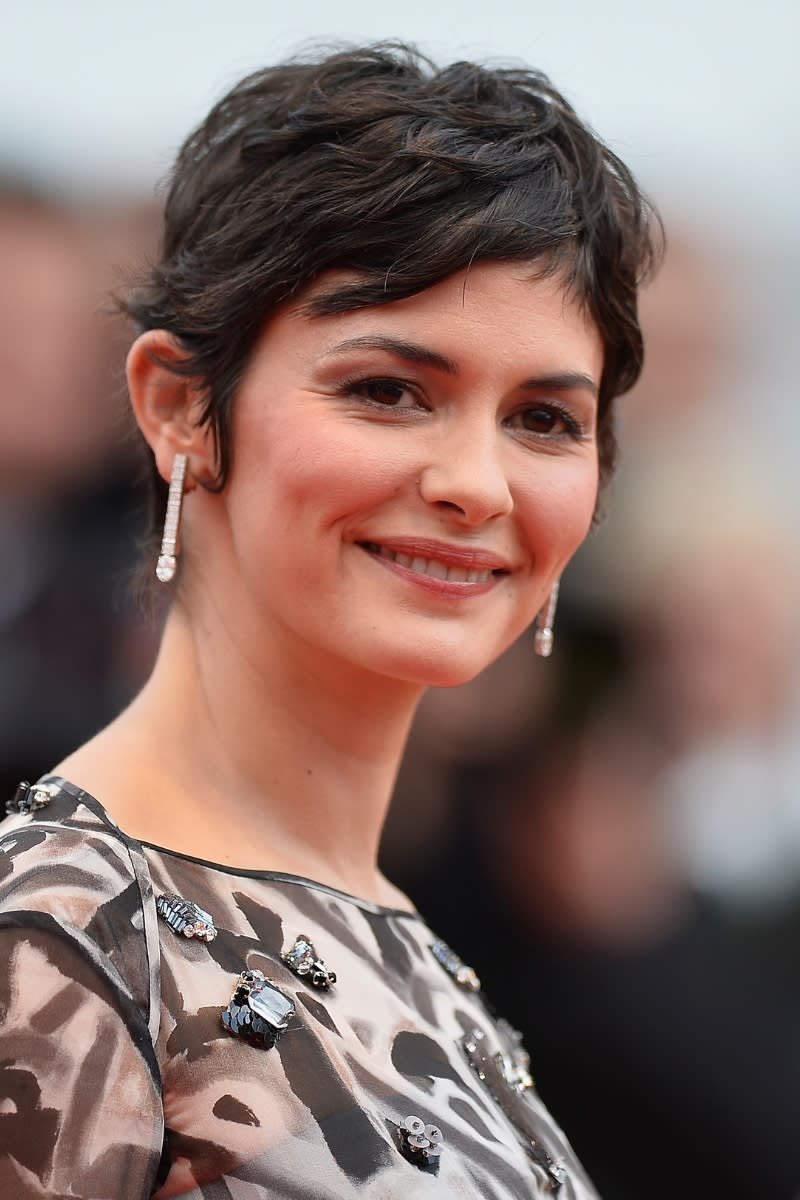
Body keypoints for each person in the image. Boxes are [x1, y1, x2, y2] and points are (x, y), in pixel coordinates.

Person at [0, 43, 657, 1198]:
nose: (478, 483)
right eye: (387, 390)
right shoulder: (62, 942)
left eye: (544, 419)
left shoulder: (411, 940)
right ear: (179, 405)